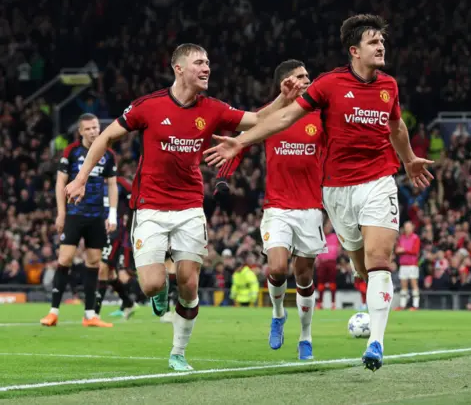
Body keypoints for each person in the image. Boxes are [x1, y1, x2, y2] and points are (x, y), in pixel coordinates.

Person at [204, 14, 433, 371]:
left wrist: (408, 161)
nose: (381, 47)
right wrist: (240, 142)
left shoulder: (389, 85)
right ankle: (307, 307)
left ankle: (376, 342)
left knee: (378, 262)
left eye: (382, 42)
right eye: (374, 42)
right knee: (360, 266)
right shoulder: (329, 85)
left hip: (378, 181)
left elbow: (396, 125)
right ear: (355, 51)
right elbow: (280, 118)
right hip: (337, 191)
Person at [64, 43, 302, 371]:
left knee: (189, 282)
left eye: (208, 63)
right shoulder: (149, 106)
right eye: (199, 63)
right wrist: (80, 178)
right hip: (150, 206)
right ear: (179, 68)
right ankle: (159, 293)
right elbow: (106, 137)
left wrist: (284, 98)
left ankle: (178, 352)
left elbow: (258, 120)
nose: (206, 68)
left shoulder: (213, 109)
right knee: (151, 284)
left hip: (189, 206)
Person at [215, 59, 325, 360]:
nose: (306, 80)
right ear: (284, 83)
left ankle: (305, 335)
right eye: (300, 77)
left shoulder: (319, 114)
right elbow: (241, 143)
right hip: (277, 206)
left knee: (303, 276)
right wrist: (223, 178)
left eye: (307, 76)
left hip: (311, 208)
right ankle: (278, 315)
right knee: (277, 267)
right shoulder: (270, 116)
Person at [40, 113, 117, 328]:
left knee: (93, 262)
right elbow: (60, 183)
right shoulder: (72, 152)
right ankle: (53, 312)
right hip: (74, 214)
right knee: (64, 259)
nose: (94, 131)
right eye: (89, 128)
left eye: (96, 127)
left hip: (96, 216)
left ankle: (90, 314)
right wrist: (61, 212)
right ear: (81, 132)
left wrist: (112, 214)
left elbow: (112, 186)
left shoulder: (108, 154)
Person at [95, 177, 136, 319]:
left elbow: (134, 200)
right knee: (111, 274)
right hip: (99, 231)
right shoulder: (95, 182)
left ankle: (94, 312)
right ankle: (128, 302)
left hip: (115, 232)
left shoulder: (120, 183)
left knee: (103, 268)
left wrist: (128, 221)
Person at [395, 220, 421, 310]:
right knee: (403, 286)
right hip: (403, 264)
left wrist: (404, 250)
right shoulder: (401, 238)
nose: (407, 229)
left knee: (414, 284)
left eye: (409, 227)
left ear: (412, 228)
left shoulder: (415, 238)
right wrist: (399, 250)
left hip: (412, 264)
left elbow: (415, 251)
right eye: (406, 227)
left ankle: (416, 305)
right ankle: (402, 305)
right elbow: (397, 249)